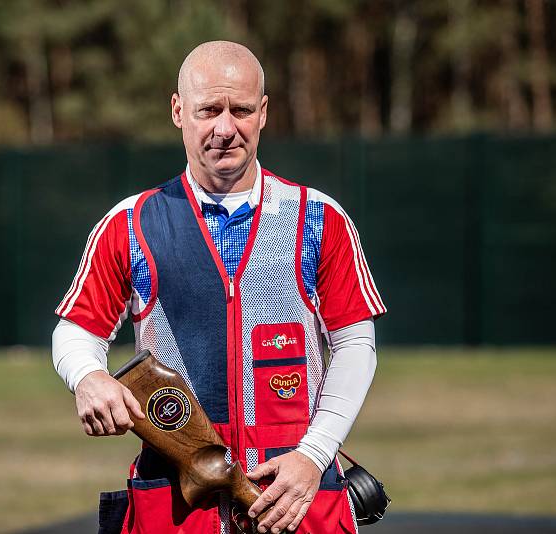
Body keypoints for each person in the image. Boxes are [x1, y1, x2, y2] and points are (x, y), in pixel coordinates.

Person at [52, 40, 386, 534]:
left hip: (296, 495)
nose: (225, 129)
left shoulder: (319, 218)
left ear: (264, 113)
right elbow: (76, 329)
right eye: (209, 109)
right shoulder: (130, 223)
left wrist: (313, 457)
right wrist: (88, 377)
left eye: (242, 110)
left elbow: (356, 344)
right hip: (176, 504)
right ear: (178, 111)